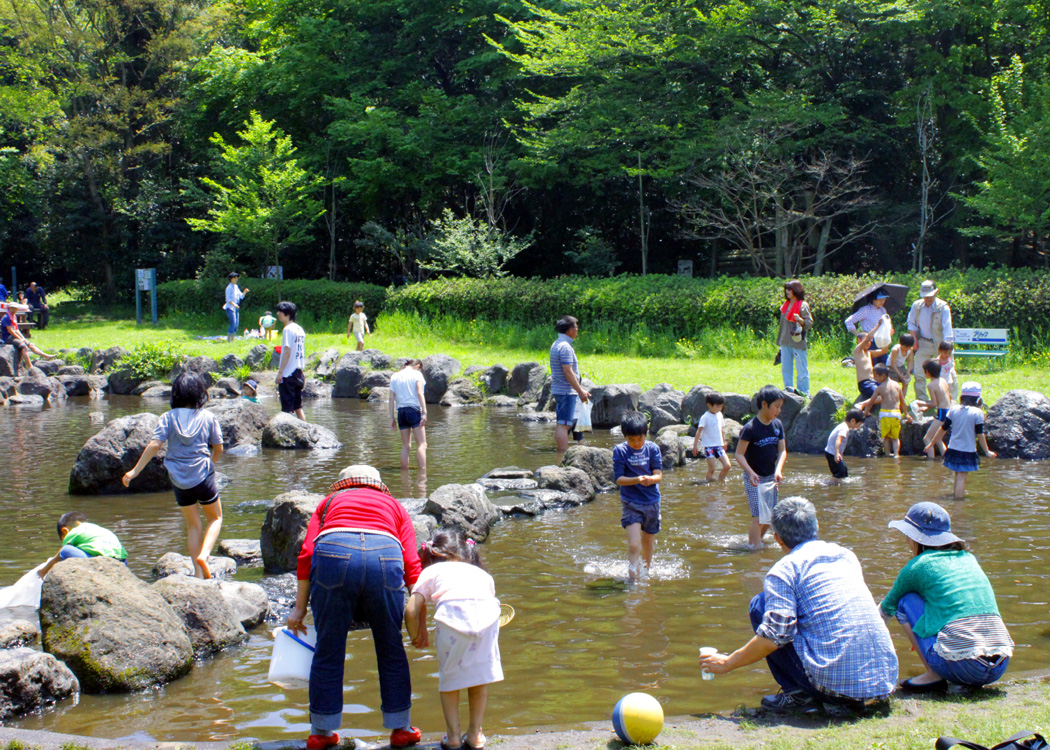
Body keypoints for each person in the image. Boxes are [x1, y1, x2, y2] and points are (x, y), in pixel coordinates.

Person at [699, 498, 898, 712]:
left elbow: (773, 637)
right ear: (817, 526)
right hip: (884, 681)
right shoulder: (846, 556)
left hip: (835, 690)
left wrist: (728, 663)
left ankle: (798, 696)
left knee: (760, 604)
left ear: (778, 539)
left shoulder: (784, 570)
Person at [285, 465, 423, 750]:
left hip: (333, 552)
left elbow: (308, 553)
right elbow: (411, 562)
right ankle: (401, 728)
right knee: (390, 647)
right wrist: (420, 613)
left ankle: (321, 732)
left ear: (343, 485)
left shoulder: (329, 502)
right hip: (385, 555)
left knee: (328, 647)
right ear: (378, 485)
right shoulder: (394, 505)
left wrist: (299, 608)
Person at [880, 502, 1012, 691]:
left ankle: (932, 675)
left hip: (964, 667)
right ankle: (956, 669)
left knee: (905, 601)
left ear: (914, 538)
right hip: (999, 664)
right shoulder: (968, 558)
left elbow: (884, 611)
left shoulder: (918, 566)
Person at [405, 530, 502, 750]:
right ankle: (475, 734)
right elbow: (489, 600)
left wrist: (415, 636)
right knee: (480, 675)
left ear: (432, 555)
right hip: (488, 618)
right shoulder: (481, 574)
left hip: (453, 620)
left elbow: (411, 609)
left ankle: (454, 736)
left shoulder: (433, 571)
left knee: (450, 678)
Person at [121, 372, 223, 579]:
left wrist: (134, 471)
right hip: (203, 475)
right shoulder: (207, 416)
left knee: (193, 525)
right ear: (199, 393)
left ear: (175, 394)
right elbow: (218, 448)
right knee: (216, 517)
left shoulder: (167, 418)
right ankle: (205, 555)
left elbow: (155, 444)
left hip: (179, 479)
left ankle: (197, 572)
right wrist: (210, 465)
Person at [735, 386, 787, 548]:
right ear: (765, 404)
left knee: (770, 516)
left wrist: (778, 470)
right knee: (758, 517)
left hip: (771, 477)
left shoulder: (777, 425)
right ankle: (754, 550)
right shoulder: (750, 428)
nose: (778, 411)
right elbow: (739, 454)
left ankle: (756, 541)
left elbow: (782, 451)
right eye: (776, 407)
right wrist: (750, 473)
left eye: (780, 407)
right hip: (754, 478)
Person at [925, 382, 996, 500]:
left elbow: (943, 429)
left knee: (957, 475)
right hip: (967, 450)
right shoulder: (977, 413)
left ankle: (955, 498)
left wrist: (931, 444)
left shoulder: (953, 410)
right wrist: (987, 451)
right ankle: (958, 502)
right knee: (962, 477)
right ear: (978, 399)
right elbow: (980, 434)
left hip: (953, 449)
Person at [613, 411, 663, 581]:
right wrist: (636, 480)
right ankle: (633, 579)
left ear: (645, 434)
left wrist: (651, 479)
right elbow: (619, 479)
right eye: (631, 440)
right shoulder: (620, 451)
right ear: (625, 436)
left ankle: (646, 573)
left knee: (648, 542)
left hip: (652, 502)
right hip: (631, 503)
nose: (636, 443)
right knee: (634, 544)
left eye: (639, 439)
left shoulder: (652, 449)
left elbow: (659, 475)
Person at [38, 512, 128, 577]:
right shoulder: (99, 528)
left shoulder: (74, 531)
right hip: (122, 562)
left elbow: (60, 554)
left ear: (65, 530)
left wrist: (44, 570)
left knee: (66, 550)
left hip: (99, 561)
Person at [907, 280, 953, 402]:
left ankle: (949, 399)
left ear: (936, 292)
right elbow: (911, 323)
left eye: (930, 296)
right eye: (925, 296)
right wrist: (914, 339)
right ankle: (922, 399)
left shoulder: (943, 307)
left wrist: (947, 349)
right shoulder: (916, 306)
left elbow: (947, 328)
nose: (927, 298)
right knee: (919, 372)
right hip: (923, 342)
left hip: (941, 344)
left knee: (947, 373)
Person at [550, 316, 590, 452]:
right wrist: (580, 391)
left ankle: (566, 451)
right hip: (566, 391)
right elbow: (568, 371)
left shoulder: (556, 344)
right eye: (576, 327)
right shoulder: (565, 347)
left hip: (560, 389)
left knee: (564, 422)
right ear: (571, 330)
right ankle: (562, 454)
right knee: (564, 425)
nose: (577, 330)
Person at [859, 364, 911, 457]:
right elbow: (902, 401)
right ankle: (896, 454)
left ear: (883, 376)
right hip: (896, 414)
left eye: (875, 376)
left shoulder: (880, 388)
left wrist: (865, 412)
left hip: (885, 414)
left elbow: (871, 402)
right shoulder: (896, 385)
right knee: (895, 438)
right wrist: (906, 413)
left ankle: (887, 454)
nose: (874, 378)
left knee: (886, 437)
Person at [389, 359, 428, 471]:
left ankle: (404, 472)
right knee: (422, 444)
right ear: (417, 365)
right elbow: (420, 393)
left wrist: (391, 418)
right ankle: (423, 472)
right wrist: (424, 413)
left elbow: (391, 398)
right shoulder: (417, 374)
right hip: (414, 410)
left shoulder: (395, 376)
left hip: (401, 412)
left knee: (406, 445)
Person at [777, 280, 813, 398]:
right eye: (786, 289)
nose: (787, 291)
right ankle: (788, 391)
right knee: (786, 368)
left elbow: (809, 323)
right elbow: (782, 325)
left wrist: (800, 320)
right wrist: (779, 342)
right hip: (785, 341)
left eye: (790, 289)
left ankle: (804, 392)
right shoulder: (785, 305)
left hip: (797, 341)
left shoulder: (803, 305)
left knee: (801, 368)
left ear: (796, 290)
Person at [1, 303, 56, 373]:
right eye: (12, 308)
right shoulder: (6, 317)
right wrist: (20, 339)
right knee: (24, 347)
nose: (14, 310)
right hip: (8, 337)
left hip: (14, 336)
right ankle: (29, 365)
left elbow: (16, 330)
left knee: (30, 344)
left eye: (15, 308)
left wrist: (23, 338)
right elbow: (10, 330)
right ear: (9, 308)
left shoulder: (13, 316)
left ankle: (46, 356)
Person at [275, 301, 306, 420]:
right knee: (298, 407)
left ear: (287, 314)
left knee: (287, 410)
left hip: (288, 374)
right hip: (298, 373)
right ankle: (305, 430)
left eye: (280, 312)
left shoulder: (288, 329)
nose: (278, 314)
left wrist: (280, 372)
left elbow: (287, 351)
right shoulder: (300, 329)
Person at [691, 391, 731, 482]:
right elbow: (699, 431)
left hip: (718, 446)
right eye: (717, 406)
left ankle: (720, 481)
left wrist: (724, 441)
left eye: (721, 406)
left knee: (727, 465)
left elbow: (721, 428)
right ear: (709, 405)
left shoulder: (719, 415)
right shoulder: (705, 417)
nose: (720, 408)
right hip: (709, 447)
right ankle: (709, 485)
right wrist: (695, 446)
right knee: (712, 468)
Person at [844, 289, 891, 365]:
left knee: (884, 364)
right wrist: (859, 335)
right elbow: (849, 321)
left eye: (884, 299)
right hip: (869, 342)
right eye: (880, 299)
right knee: (872, 364)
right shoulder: (866, 310)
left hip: (881, 341)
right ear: (873, 299)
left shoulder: (883, 310)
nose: (882, 302)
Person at [917, 359, 951, 459]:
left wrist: (920, 403)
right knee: (938, 439)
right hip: (949, 411)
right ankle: (946, 459)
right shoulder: (943, 380)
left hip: (942, 413)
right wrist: (925, 407)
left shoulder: (931, 385)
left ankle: (931, 462)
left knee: (927, 439)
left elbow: (934, 403)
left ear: (927, 372)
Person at [852, 315, 891, 400]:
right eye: (866, 341)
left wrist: (888, 335)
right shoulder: (858, 351)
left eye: (870, 342)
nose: (869, 342)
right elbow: (869, 337)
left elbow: (883, 351)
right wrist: (878, 325)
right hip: (865, 383)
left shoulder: (869, 353)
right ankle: (862, 405)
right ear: (859, 341)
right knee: (882, 397)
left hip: (874, 381)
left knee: (891, 391)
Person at [824, 409, 866, 479]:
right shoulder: (844, 429)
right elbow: (838, 439)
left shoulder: (843, 426)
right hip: (832, 453)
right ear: (853, 421)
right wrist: (837, 453)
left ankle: (835, 484)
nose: (859, 427)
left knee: (843, 471)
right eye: (859, 424)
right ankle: (831, 485)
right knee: (840, 472)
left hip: (831, 452)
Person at [223, 272, 249, 343]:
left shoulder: (236, 286)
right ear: (231, 279)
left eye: (237, 278)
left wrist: (245, 292)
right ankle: (229, 340)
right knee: (233, 323)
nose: (236, 279)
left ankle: (233, 340)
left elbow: (241, 296)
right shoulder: (229, 288)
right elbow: (228, 299)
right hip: (230, 308)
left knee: (236, 325)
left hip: (236, 307)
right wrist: (234, 305)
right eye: (235, 278)